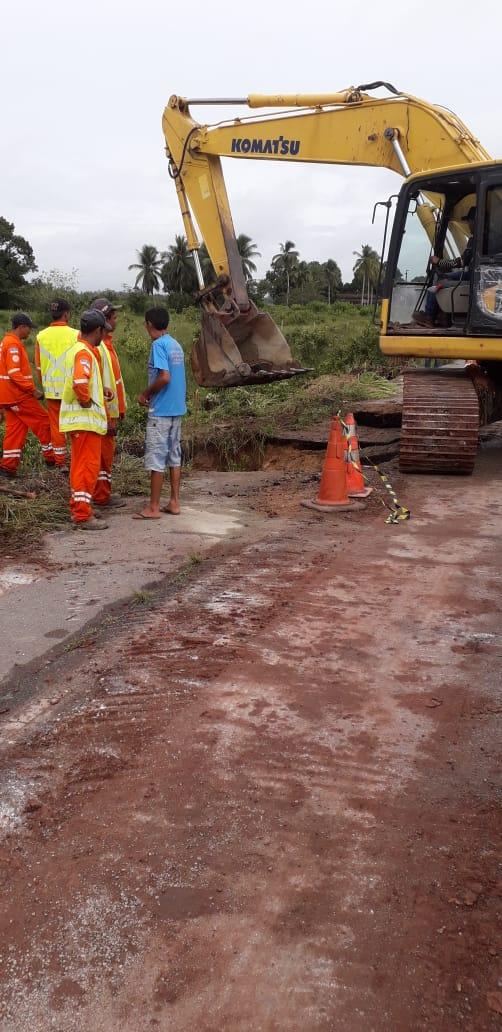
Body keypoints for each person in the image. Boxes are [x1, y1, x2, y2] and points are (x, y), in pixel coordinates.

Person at [59, 309, 113, 530]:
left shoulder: (79, 349)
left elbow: (84, 382)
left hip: (80, 424)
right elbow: (80, 384)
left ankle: (81, 508)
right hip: (85, 423)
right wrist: (86, 401)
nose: (104, 336)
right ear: (98, 330)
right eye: (104, 332)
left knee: (81, 467)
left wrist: (101, 391)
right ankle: (82, 515)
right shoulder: (85, 352)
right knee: (86, 469)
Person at [134, 306, 186, 520]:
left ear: (149, 325)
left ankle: (153, 507)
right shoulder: (176, 344)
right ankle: (174, 502)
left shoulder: (158, 345)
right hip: (176, 409)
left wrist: (145, 393)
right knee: (174, 457)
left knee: (156, 457)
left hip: (161, 411)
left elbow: (164, 377)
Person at [0, 312, 55, 478]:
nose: (30, 332)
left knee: (15, 431)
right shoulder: (13, 345)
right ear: (21, 327)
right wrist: (33, 390)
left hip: (9, 397)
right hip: (19, 396)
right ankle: (52, 460)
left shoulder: (7, 342)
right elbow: (14, 373)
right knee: (44, 422)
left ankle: (7, 468)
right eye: (29, 328)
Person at [89, 298, 127, 510]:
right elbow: (104, 385)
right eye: (114, 316)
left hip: (107, 413)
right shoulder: (101, 348)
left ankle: (102, 492)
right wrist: (110, 415)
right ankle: (101, 496)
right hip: (104, 415)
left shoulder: (106, 345)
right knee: (102, 457)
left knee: (105, 457)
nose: (117, 318)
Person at [35, 298, 78, 469]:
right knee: (74, 424)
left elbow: (38, 367)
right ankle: (75, 460)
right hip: (72, 390)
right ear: (66, 314)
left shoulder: (40, 336)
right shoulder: (76, 334)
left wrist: (45, 386)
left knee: (56, 426)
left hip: (52, 390)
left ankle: (61, 462)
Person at [414, 206, 476, 328]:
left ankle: (429, 317)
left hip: (472, 276)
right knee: (444, 276)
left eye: (469, 221)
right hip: (474, 274)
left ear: (474, 221)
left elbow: (461, 263)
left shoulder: (476, 241)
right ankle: (440, 315)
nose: (468, 224)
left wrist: (439, 262)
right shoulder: (485, 239)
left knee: (437, 285)